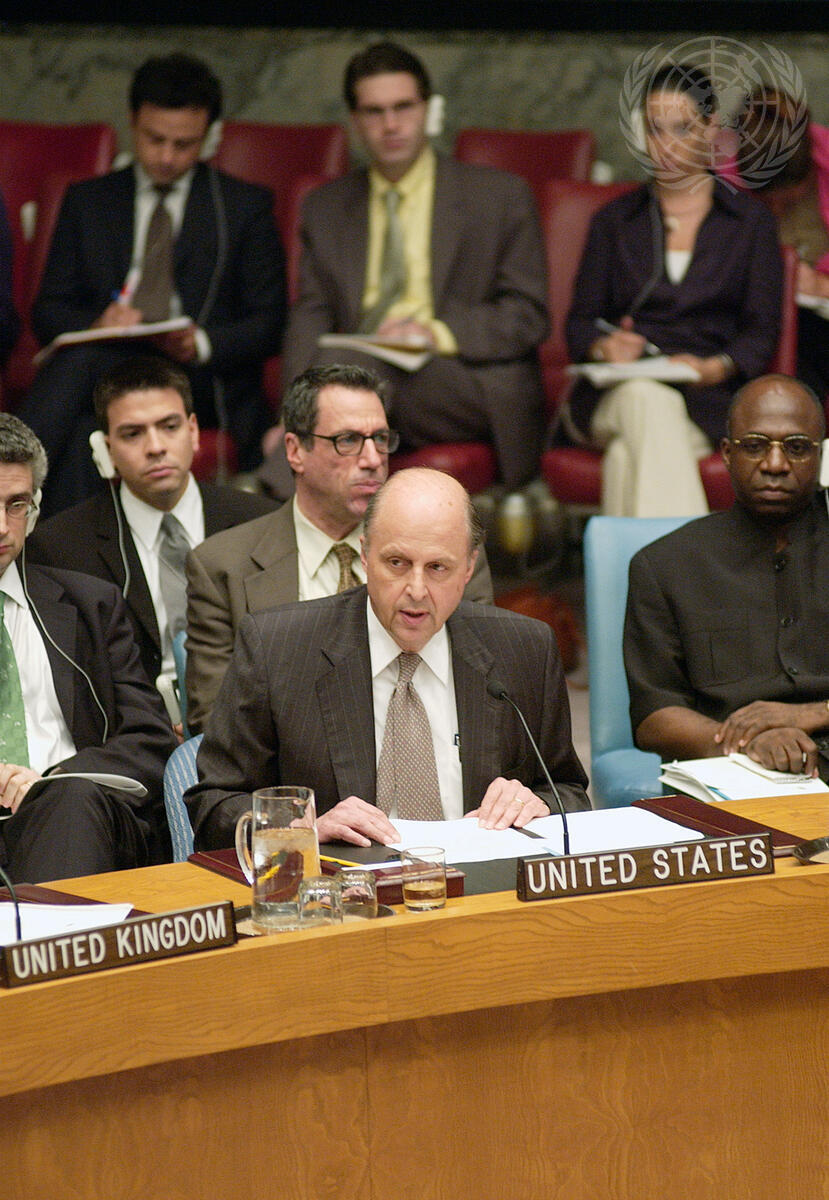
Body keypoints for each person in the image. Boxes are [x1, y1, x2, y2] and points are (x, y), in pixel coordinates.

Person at [186, 467, 588, 850]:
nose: (416, 589)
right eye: (397, 563)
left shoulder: (524, 649)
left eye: (438, 568)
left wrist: (538, 804)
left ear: (468, 567)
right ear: (364, 555)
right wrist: (304, 828)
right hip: (340, 889)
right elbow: (213, 805)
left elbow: (568, 792)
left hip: (481, 888)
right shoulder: (278, 648)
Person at [259, 40, 548, 498]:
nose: (391, 125)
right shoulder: (326, 207)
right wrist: (288, 413)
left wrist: (434, 333)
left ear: (428, 109)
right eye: (374, 112)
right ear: (355, 121)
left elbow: (527, 315)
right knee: (354, 380)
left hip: (463, 379)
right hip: (361, 382)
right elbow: (311, 315)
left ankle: (272, 501)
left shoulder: (498, 196)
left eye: (403, 107)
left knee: (350, 378)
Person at [20, 52, 285, 516]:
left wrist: (199, 342)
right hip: (102, 371)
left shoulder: (242, 207)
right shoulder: (89, 201)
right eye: (154, 139)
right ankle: (61, 556)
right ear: (132, 122)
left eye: (184, 144)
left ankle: (10, 468)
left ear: (209, 136)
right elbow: (48, 312)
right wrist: (99, 323)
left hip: (193, 378)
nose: (166, 156)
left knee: (83, 366)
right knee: (84, 431)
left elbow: (269, 322)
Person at [185, 363, 493, 733]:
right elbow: (219, 726)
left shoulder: (446, 555)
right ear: (295, 450)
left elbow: (480, 693)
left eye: (380, 439)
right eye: (348, 440)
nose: (373, 459)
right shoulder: (223, 567)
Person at [566, 63, 783, 517]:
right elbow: (579, 324)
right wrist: (606, 347)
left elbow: (760, 333)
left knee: (627, 457)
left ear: (711, 128)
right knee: (646, 397)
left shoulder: (750, 223)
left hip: (706, 400)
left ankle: (636, 567)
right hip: (614, 395)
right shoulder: (615, 221)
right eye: (654, 130)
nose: (665, 146)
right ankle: (689, 565)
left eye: (682, 128)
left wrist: (714, 367)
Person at [26, 355, 275, 690]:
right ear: (107, 449)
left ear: (193, 431)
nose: (156, 447)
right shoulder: (61, 547)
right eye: (133, 434)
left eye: (169, 427)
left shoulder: (261, 522)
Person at [0, 413, 177, 883]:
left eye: (16, 505)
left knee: (71, 800)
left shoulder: (90, 604)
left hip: (73, 817)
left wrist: (54, 779)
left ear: (35, 509)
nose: (2, 526)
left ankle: (53, 934)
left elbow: (150, 740)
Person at [624, 374, 829, 776]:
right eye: (754, 446)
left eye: (796, 448)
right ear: (727, 453)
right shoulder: (665, 564)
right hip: (732, 772)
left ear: (820, 455)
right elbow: (654, 718)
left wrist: (811, 713)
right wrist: (748, 744)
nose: (775, 465)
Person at [737, 85, 829, 399]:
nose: (776, 212)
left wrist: (822, 286)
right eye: (765, 202)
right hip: (752, 325)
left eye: (787, 201)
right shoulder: (720, 181)